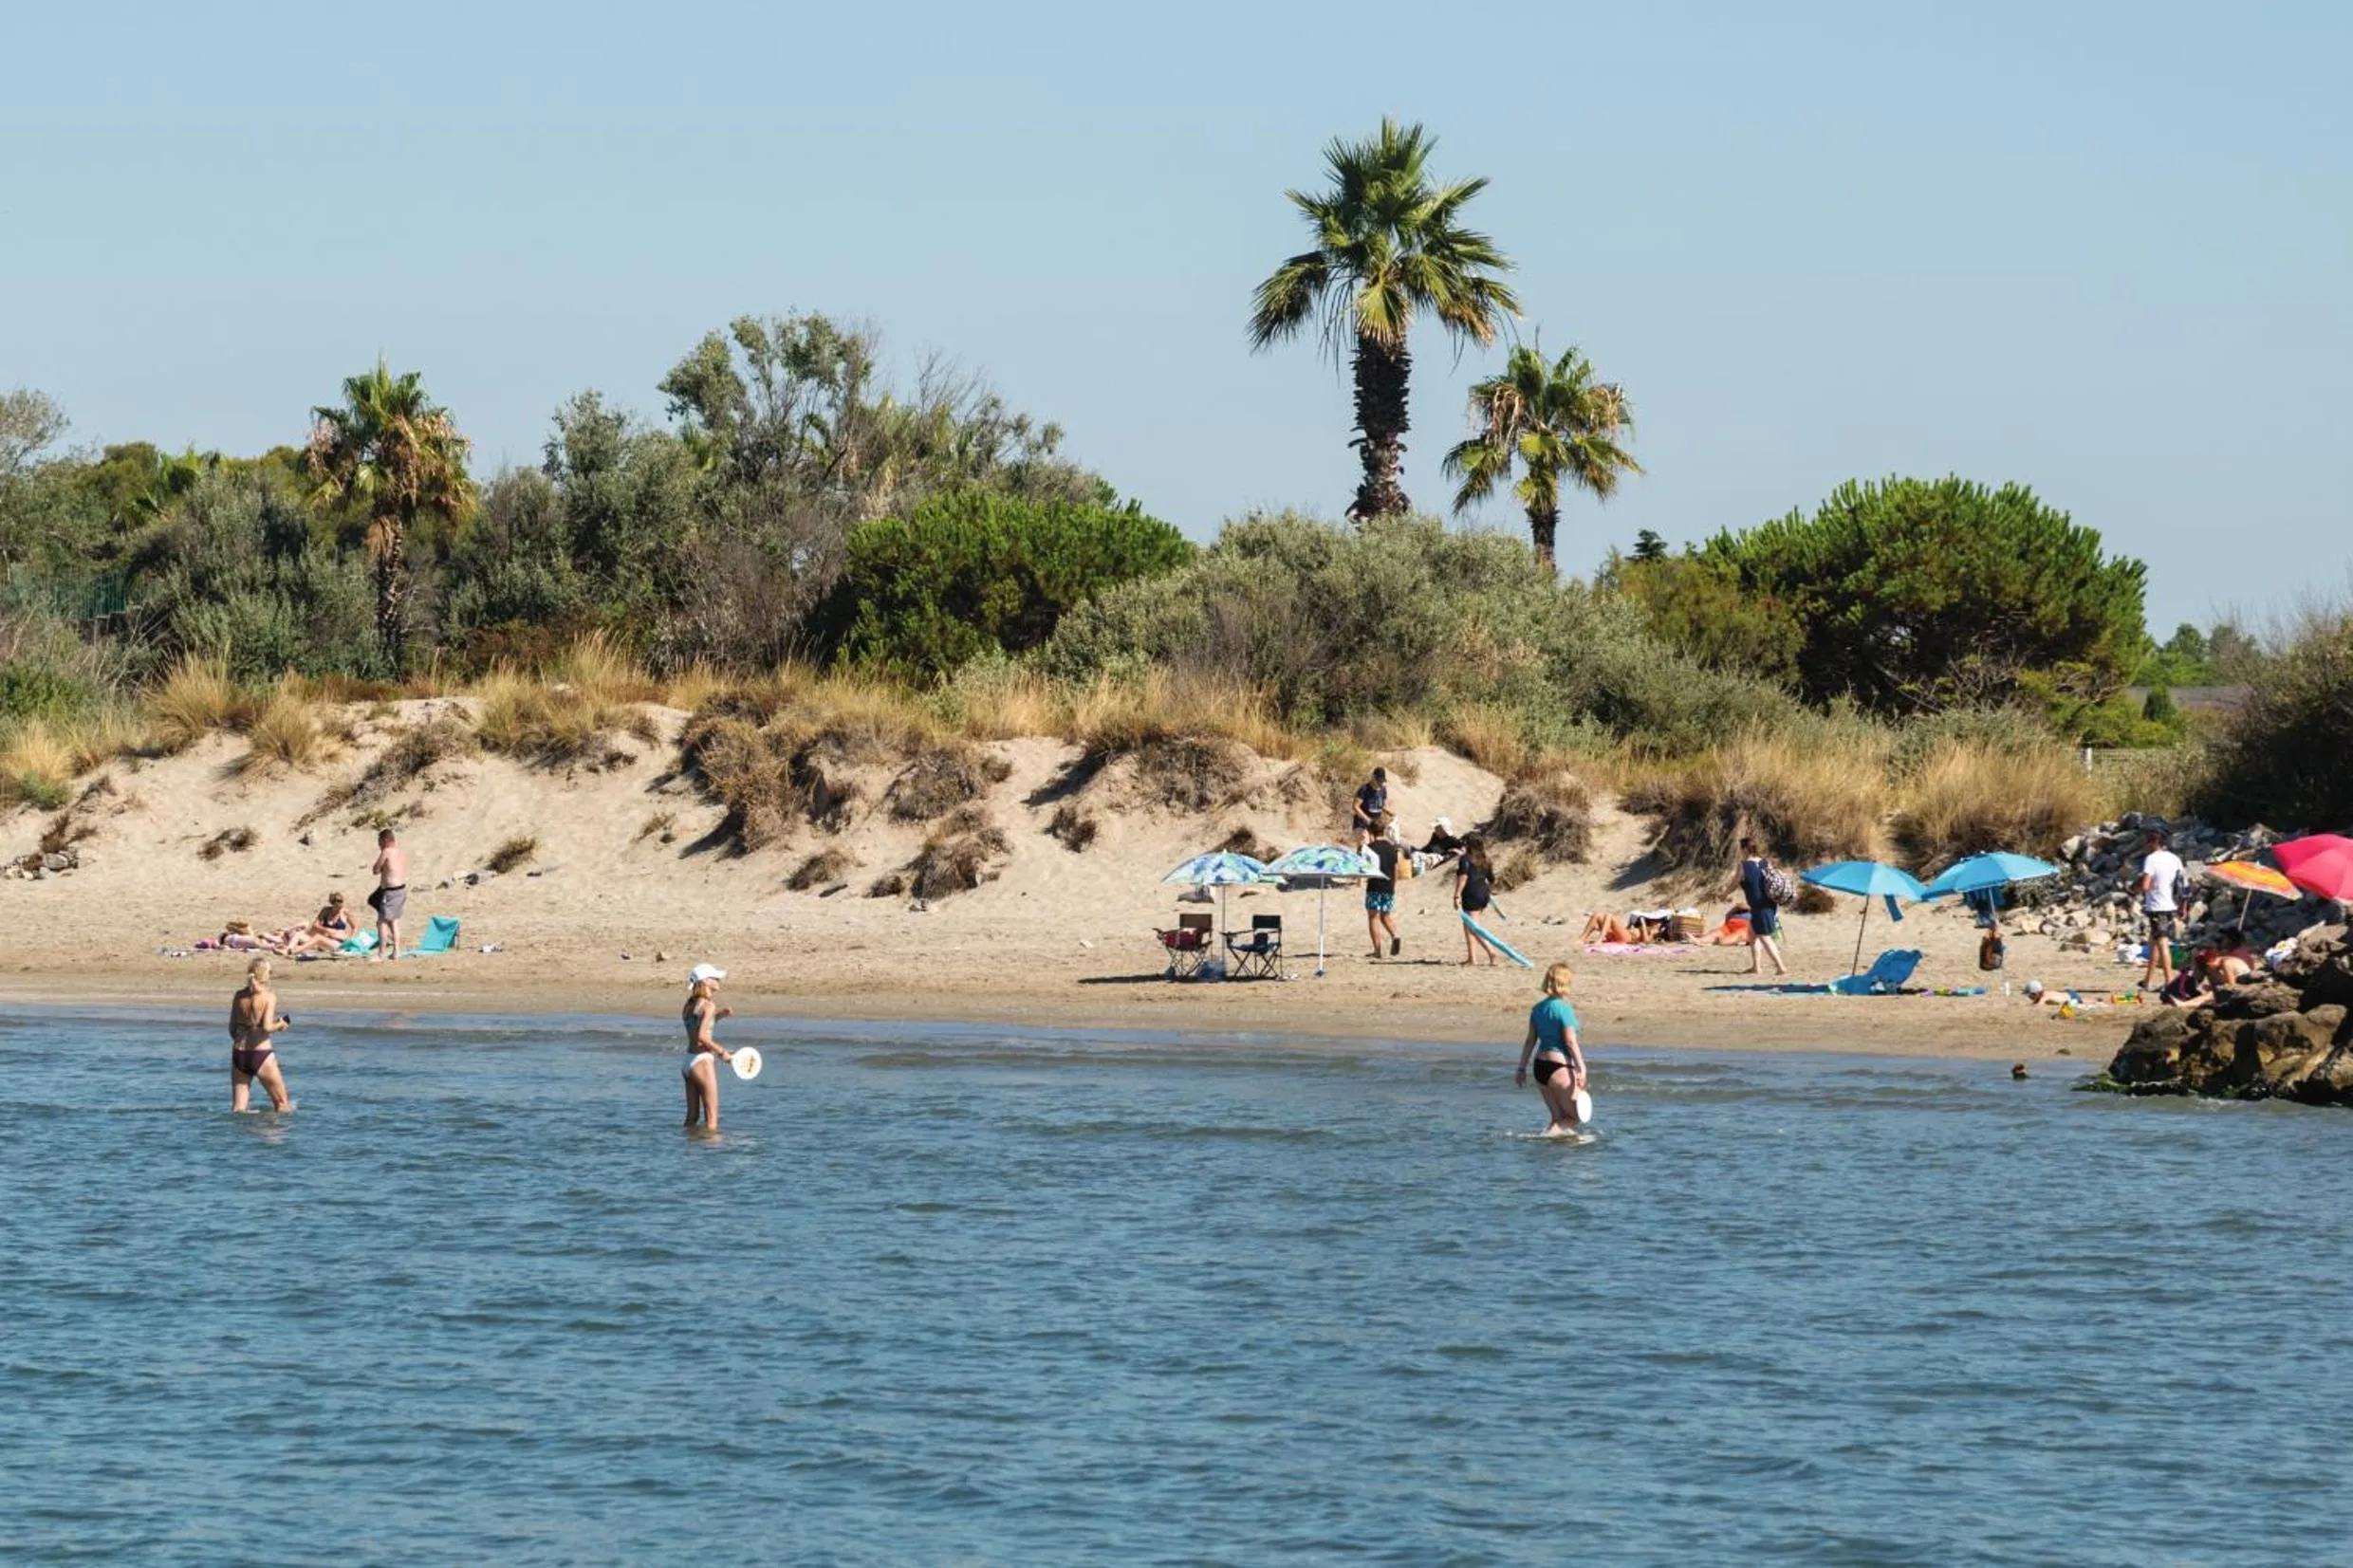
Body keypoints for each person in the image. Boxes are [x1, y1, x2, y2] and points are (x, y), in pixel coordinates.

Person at [1516, 960, 1588, 1135]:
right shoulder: (1563, 1009)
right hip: (1560, 1066)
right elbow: (1570, 1041)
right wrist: (1581, 1067)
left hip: (1540, 1066)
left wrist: (1521, 1068)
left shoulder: (1537, 1009)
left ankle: (1554, 1153)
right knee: (1575, 1116)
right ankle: (1546, 1138)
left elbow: (1530, 1041)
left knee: (1558, 1118)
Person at [228, 957, 293, 1112]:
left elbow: (232, 1029)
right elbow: (267, 1027)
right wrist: (281, 1024)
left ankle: (238, 1136)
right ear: (265, 975)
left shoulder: (239, 996)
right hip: (261, 1053)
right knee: (282, 1103)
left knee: (238, 1109)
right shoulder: (269, 997)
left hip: (239, 1054)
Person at [680, 965, 739, 1132]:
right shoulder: (708, 1006)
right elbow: (702, 1036)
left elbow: (696, 1027)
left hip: (687, 1062)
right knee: (712, 1120)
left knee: (692, 1118)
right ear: (705, 981)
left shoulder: (688, 1005)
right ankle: (712, 1155)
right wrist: (723, 1053)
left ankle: (689, 1153)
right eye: (715, 978)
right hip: (702, 1061)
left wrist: (720, 1015)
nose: (718, 980)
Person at [2137, 829, 2185, 992]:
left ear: (2153, 842)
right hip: (2170, 905)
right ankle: (2147, 980)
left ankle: (2169, 981)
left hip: (2157, 906)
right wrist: (2183, 906)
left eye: (2147, 842)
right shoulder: (2175, 859)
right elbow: (2182, 884)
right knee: (2154, 943)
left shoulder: (2151, 859)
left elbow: (2145, 885)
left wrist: (2138, 887)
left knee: (2162, 942)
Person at [1737, 838, 1789, 978]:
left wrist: (1723, 893)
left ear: (1744, 849)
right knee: (1752, 933)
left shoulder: (1743, 865)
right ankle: (1756, 967)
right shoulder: (1766, 862)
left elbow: (1735, 882)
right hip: (1769, 903)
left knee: (1764, 936)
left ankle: (1780, 966)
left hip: (1759, 905)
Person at [1455, 835, 1505, 966]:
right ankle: (1472, 958)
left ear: (1469, 846)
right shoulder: (1485, 859)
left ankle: (1491, 953)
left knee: (1473, 928)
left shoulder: (1465, 859)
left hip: (1471, 894)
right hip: (1483, 893)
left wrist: (1457, 895)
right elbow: (1492, 879)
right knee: (1469, 926)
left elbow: (1463, 878)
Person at [1363, 818, 1403, 958]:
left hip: (1374, 885)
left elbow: (1365, 867)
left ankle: (1377, 950)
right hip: (1388, 886)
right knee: (1386, 916)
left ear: (1370, 831)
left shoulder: (1369, 848)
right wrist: (1393, 885)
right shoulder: (1391, 848)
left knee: (1373, 917)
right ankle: (1395, 935)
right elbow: (1396, 869)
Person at [369, 828, 408, 962]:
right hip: (401, 890)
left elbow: (375, 869)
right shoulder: (400, 852)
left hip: (390, 891)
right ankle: (396, 952)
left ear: (385, 840)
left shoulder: (386, 851)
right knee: (394, 921)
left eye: (379, 842)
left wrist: (382, 861)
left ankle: (381, 954)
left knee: (381, 922)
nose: (378, 845)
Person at [280, 892, 357, 958]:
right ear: (332, 904)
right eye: (336, 906)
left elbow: (354, 927)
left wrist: (349, 940)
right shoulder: (326, 911)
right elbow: (315, 925)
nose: (339, 908)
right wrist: (327, 930)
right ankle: (287, 949)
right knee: (299, 934)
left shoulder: (346, 912)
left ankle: (292, 951)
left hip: (338, 942)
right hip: (325, 939)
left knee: (318, 937)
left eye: (341, 905)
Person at [1352, 767, 1389, 849]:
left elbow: (1383, 805)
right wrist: (1367, 819)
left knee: (1376, 848)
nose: (1380, 783)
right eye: (1378, 781)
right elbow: (1355, 806)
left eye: (1382, 781)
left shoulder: (1383, 789)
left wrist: (1389, 815)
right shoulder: (1364, 789)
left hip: (1375, 825)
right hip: (1362, 823)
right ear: (1373, 778)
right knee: (1364, 847)